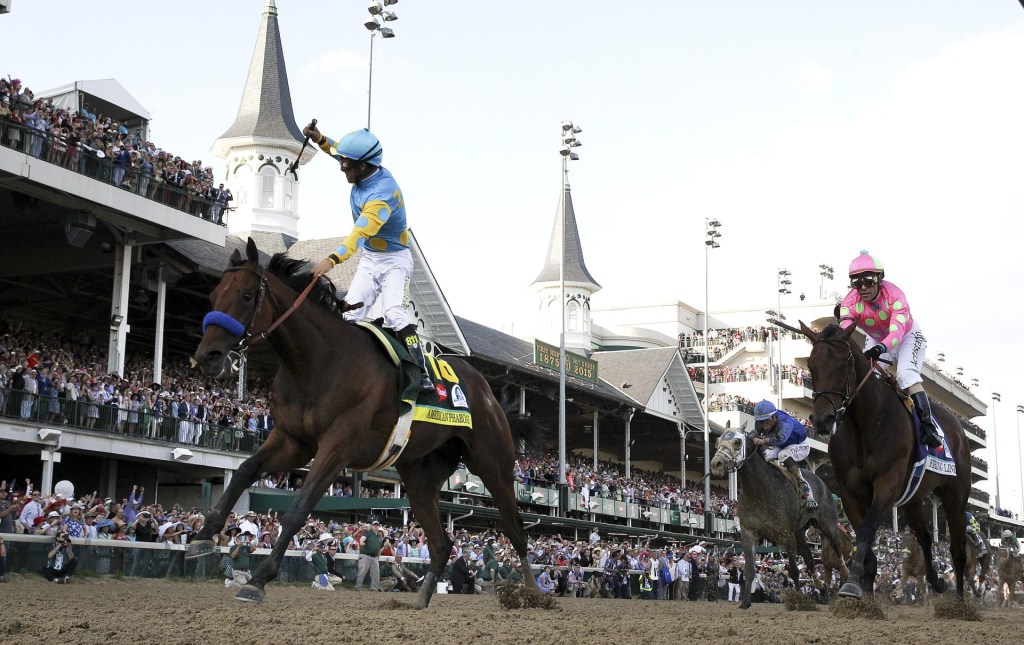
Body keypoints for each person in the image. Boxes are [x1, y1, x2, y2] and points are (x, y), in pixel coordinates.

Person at [303, 124, 433, 392]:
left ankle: (421, 373)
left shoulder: (381, 197)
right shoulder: (363, 168)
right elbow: (338, 150)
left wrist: (331, 260)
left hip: (395, 260)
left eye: (346, 167)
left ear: (362, 167)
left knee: (394, 312)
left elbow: (358, 234)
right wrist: (320, 139)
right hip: (371, 258)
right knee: (349, 315)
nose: (342, 170)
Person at [838, 250, 941, 448]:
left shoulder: (895, 296)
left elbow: (896, 334)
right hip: (877, 337)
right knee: (869, 379)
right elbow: (844, 333)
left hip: (907, 336)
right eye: (856, 283)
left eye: (868, 280)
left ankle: (929, 429)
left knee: (906, 375)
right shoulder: (849, 303)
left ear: (879, 279)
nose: (863, 287)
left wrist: (879, 349)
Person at [751, 399, 818, 508]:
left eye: (766, 422)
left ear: (774, 417)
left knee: (783, 455)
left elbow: (780, 439)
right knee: (765, 455)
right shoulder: (761, 420)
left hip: (800, 444)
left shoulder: (785, 422)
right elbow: (755, 433)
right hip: (781, 445)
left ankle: (804, 487)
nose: (763, 426)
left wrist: (763, 440)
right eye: (761, 422)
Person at [353, 520, 382, 591]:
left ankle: (374, 589)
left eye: (377, 525)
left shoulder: (379, 537)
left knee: (376, 573)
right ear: (372, 526)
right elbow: (362, 540)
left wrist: (378, 557)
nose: (375, 526)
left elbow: (379, 548)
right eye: (374, 525)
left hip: (375, 557)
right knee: (362, 571)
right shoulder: (368, 533)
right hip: (365, 555)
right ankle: (358, 588)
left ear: (379, 526)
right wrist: (363, 543)